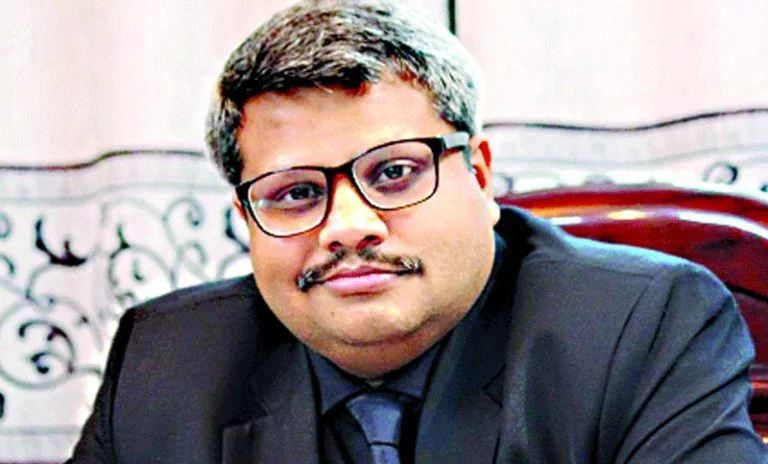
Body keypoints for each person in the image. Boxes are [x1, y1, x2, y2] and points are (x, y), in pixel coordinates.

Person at [68, 1, 767, 462]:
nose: (348, 226)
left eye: (395, 173)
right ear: (247, 219)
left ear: (480, 177)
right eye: (296, 193)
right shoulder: (167, 361)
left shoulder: (640, 327)